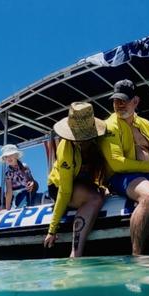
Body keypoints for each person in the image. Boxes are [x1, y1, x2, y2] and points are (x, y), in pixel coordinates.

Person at [99, 79, 149, 256]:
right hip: (121, 176)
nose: (119, 105)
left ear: (135, 101)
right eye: (115, 100)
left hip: (147, 172)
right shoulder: (109, 126)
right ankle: (137, 255)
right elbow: (117, 163)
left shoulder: (146, 124)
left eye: (123, 100)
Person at [44, 102, 107, 258]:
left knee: (100, 192)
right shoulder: (65, 149)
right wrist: (52, 229)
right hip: (59, 187)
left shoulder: (98, 142)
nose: (79, 139)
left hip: (82, 182)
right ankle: (75, 254)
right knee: (95, 198)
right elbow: (65, 191)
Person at [0, 144, 38, 209]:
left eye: (11, 155)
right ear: (4, 159)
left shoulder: (25, 166)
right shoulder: (8, 172)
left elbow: (31, 180)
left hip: (28, 193)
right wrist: (7, 209)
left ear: (16, 156)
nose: (8, 158)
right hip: (17, 196)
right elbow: (9, 191)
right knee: (20, 198)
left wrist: (32, 183)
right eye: (6, 156)